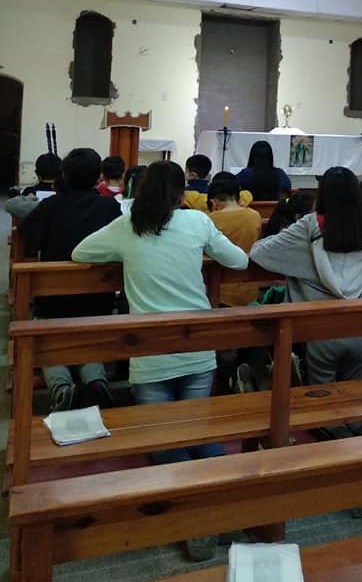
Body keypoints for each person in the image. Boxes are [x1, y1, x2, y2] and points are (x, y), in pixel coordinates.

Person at [72, 160, 248, 562]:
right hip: (197, 347)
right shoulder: (197, 222)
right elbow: (238, 261)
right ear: (181, 193)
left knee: (162, 440)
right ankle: (224, 508)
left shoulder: (126, 226)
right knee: (197, 432)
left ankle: (196, 520)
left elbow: (80, 253)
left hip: (149, 353)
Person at [250, 167, 362, 386]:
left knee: (320, 397)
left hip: (318, 329)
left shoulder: (311, 225)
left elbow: (260, 253)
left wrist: (300, 261)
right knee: (355, 395)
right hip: (361, 327)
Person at [21, 148, 122, 410]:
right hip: (98, 299)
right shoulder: (109, 206)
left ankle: (61, 387)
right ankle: (96, 382)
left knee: (50, 341)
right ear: (99, 177)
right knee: (88, 338)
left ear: (63, 175)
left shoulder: (50, 205)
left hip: (53, 299)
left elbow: (29, 241)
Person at [207, 176, 262, 252]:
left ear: (213, 202)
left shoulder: (210, 219)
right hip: (250, 258)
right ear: (239, 199)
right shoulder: (255, 215)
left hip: (219, 259)